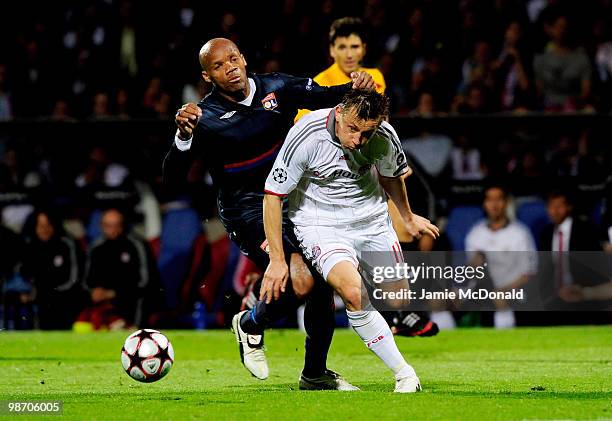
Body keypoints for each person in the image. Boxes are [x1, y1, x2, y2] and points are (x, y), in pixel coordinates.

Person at [163, 38, 375, 389]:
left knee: (320, 283)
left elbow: (327, 96)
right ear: (207, 76)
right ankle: (249, 324)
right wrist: (182, 137)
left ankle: (314, 373)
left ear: (244, 58)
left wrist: (357, 86)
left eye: (233, 58)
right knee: (303, 280)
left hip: (294, 199)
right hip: (246, 210)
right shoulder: (204, 117)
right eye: (218, 65)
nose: (229, 67)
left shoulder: (278, 87)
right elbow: (171, 180)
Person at [262, 89, 439, 392]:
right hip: (321, 224)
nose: (358, 140)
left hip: (370, 220)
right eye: (353, 129)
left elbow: (391, 176)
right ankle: (405, 373)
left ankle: (373, 317)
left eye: (366, 133)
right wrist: (277, 259)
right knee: (353, 292)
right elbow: (273, 196)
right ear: (340, 111)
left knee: (397, 298)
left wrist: (407, 217)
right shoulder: (306, 134)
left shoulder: (384, 135)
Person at [295, 17, 438, 337]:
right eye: (342, 46)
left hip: (365, 168)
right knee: (314, 274)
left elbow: (374, 121)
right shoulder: (320, 82)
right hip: (327, 178)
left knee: (401, 230)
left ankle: (398, 311)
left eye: (354, 46)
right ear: (331, 49)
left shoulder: (374, 77)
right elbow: (306, 130)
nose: (349, 53)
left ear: (364, 49)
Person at [465, 184, 537, 328]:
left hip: (514, 293)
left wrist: (503, 290)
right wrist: (475, 265)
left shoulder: (520, 233)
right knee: (440, 298)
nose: (494, 205)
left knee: (498, 297)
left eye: (499, 199)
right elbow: (470, 273)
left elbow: (528, 274)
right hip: (482, 292)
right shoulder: (476, 233)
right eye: (490, 200)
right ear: (485, 204)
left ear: (506, 203)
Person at [75, 209, 159, 331]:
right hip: (103, 302)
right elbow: (86, 280)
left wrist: (113, 293)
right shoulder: (96, 248)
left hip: (131, 299)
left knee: (140, 300)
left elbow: (145, 282)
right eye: (108, 226)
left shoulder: (137, 245)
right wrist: (94, 291)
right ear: (101, 226)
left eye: (116, 225)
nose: (113, 229)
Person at [21, 209, 83, 330]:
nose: (44, 229)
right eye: (40, 226)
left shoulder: (67, 244)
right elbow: (25, 273)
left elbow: (74, 278)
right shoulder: (30, 246)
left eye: (48, 225)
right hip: (40, 301)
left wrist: (48, 291)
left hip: (65, 299)